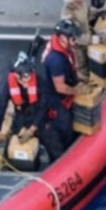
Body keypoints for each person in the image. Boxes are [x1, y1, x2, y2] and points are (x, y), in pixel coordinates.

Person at [0, 52, 65, 163]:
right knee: (15, 145)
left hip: (39, 116)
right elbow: (1, 105)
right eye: (25, 78)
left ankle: (58, 162)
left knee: (53, 141)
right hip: (21, 116)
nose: (28, 81)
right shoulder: (9, 85)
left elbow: (43, 106)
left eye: (30, 76)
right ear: (16, 75)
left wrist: (32, 129)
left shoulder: (39, 82)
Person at [42, 18, 87, 148]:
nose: (76, 41)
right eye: (73, 38)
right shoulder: (56, 61)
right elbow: (60, 87)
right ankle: (67, 146)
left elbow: (73, 66)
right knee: (65, 122)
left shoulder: (64, 47)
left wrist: (83, 79)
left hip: (67, 81)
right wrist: (78, 90)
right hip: (56, 97)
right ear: (63, 37)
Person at [60, 0, 106, 76]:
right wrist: (97, 39)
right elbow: (78, 38)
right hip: (79, 48)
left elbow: (87, 10)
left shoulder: (81, 2)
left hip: (88, 36)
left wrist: (99, 11)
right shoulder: (67, 16)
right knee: (84, 68)